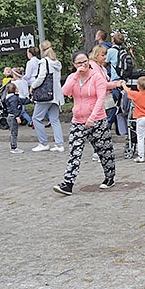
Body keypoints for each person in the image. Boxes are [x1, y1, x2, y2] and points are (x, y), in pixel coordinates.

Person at [54, 50, 124, 194]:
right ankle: (68, 183)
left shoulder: (96, 77)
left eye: (85, 61)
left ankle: (109, 177)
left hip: (97, 120)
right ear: (74, 64)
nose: (83, 65)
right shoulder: (73, 77)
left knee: (104, 151)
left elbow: (100, 98)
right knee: (75, 152)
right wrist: (75, 76)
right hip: (78, 121)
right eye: (79, 63)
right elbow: (65, 92)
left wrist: (93, 117)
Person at [30, 40, 65, 152]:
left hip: (45, 95)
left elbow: (41, 78)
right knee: (55, 120)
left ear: (42, 49)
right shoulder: (57, 63)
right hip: (56, 95)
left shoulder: (44, 62)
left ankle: (43, 142)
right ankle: (59, 144)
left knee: (36, 118)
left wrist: (33, 86)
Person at [6, 82, 25, 154]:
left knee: (13, 132)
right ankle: (14, 147)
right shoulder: (13, 98)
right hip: (13, 117)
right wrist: (17, 117)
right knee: (14, 132)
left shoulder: (12, 97)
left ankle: (13, 146)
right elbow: (14, 108)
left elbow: (21, 101)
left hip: (11, 116)